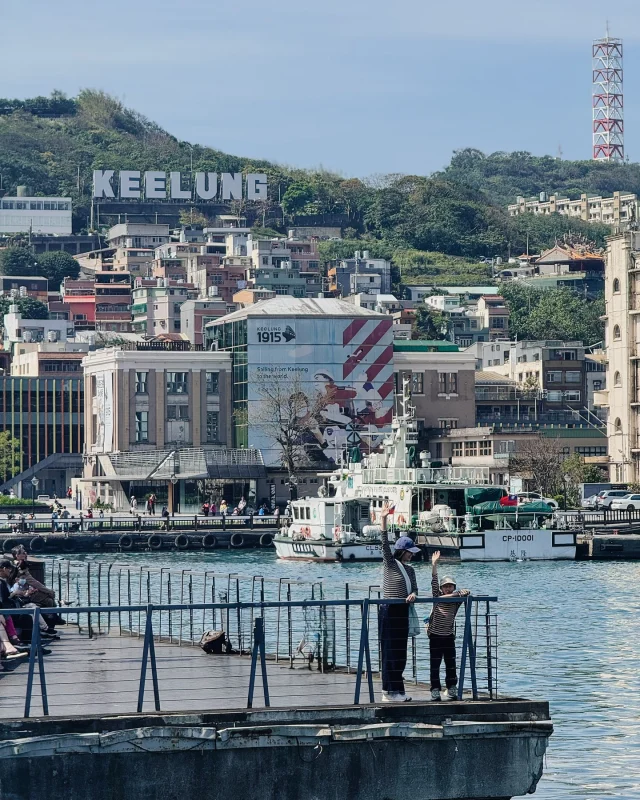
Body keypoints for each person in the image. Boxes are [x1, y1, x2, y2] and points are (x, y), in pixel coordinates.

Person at [378, 502, 420, 702]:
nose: (412, 554)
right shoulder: (390, 563)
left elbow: (416, 589)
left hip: (403, 609)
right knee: (389, 650)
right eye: (410, 551)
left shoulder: (410, 570)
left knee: (401, 651)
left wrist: (414, 596)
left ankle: (398, 690)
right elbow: (384, 542)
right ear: (402, 551)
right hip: (389, 609)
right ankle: (387, 691)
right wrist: (384, 519)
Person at [427, 550, 470, 701]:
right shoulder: (436, 597)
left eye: (451, 586)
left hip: (448, 635)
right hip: (435, 635)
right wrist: (434, 564)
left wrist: (462, 593)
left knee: (451, 663)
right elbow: (434, 580)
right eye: (445, 586)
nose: (448, 588)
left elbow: (466, 593)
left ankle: (451, 687)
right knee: (435, 664)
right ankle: (434, 689)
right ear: (441, 588)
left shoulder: (456, 601)